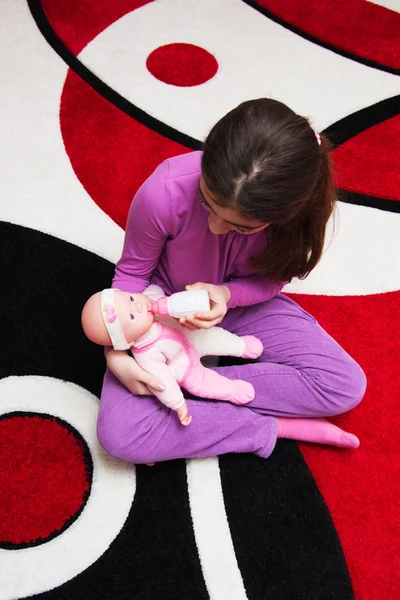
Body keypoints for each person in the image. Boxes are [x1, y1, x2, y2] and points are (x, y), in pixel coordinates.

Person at [97, 98, 366, 465]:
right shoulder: (164, 191)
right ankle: (270, 425)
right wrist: (117, 353)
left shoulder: (298, 214)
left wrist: (226, 294)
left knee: (343, 385)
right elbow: (130, 276)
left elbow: (272, 280)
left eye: (241, 226)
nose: (215, 227)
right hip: (159, 314)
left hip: (244, 304)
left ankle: (195, 382)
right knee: (123, 438)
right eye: (207, 204)